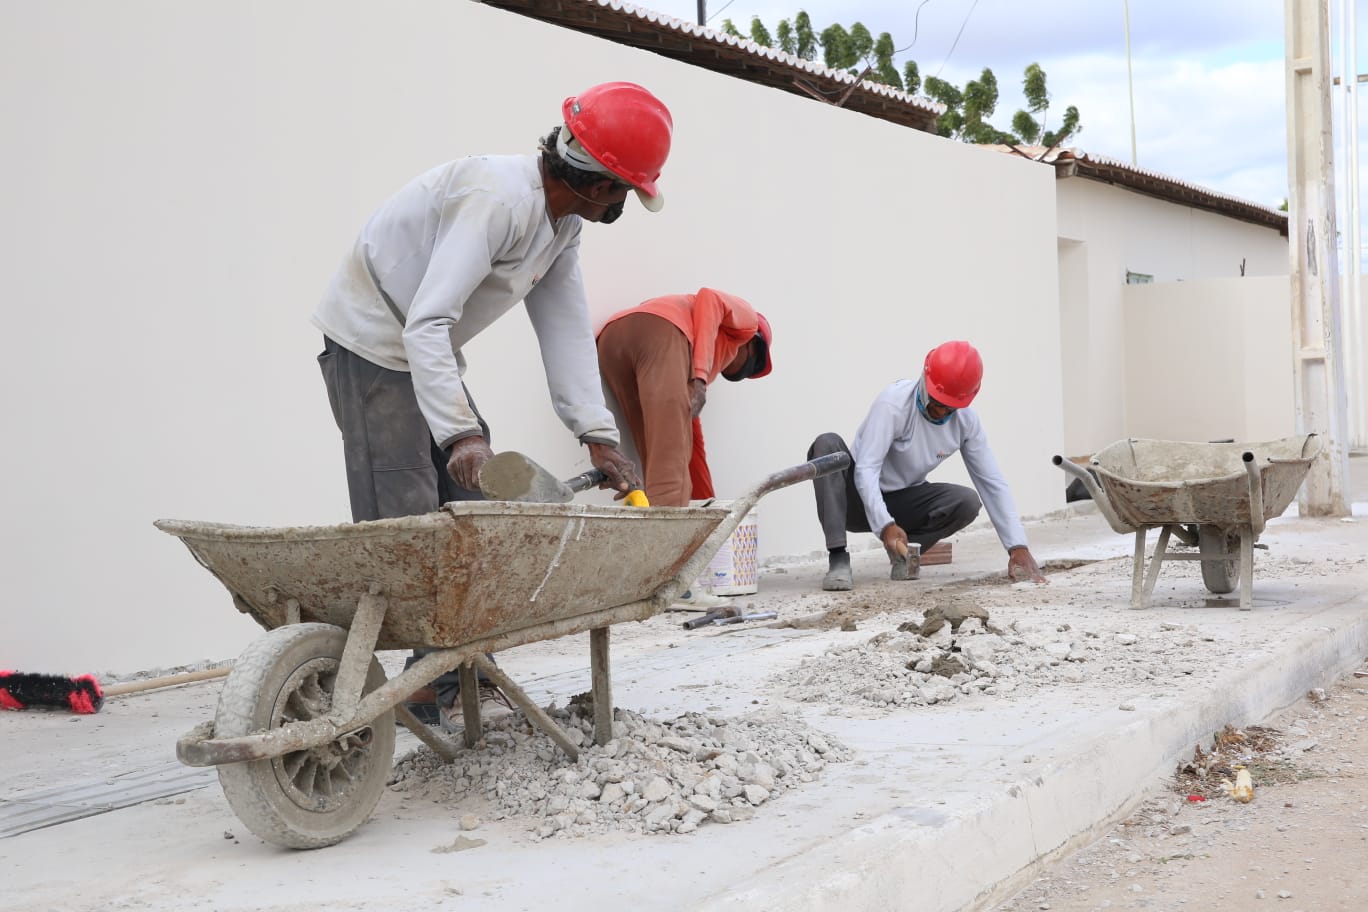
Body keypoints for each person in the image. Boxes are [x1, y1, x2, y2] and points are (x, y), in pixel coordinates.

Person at [312, 81, 673, 727]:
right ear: (598, 181)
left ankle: (450, 676)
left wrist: (597, 433)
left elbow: (563, 325)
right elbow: (426, 323)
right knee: (409, 524)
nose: (622, 204)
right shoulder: (497, 197)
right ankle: (420, 691)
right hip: (372, 342)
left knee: (475, 514)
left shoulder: (561, 221)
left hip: (422, 350)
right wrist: (461, 434)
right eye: (624, 191)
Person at [807, 340, 1047, 591]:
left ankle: (905, 554)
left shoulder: (966, 423)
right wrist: (885, 525)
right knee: (827, 444)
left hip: (903, 502)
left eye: (950, 407)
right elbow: (867, 469)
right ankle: (838, 559)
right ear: (924, 378)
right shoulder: (894, 404)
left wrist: (1017, 546)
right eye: (937, 402)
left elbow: (992, 481)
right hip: (853, 500)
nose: (941, 412)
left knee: (966, 501)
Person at [596, 289, 772, 609]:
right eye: (749, 365)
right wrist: (702, 378)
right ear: (751, 344)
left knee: (656, 457)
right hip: (658, 333)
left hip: (611, 340)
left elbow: (692, 446)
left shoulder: (687, 365)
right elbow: (710, 298)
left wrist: (711, 514)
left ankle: (646, 577)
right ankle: (676, 586)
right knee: (670, 471)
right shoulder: (745, 321)